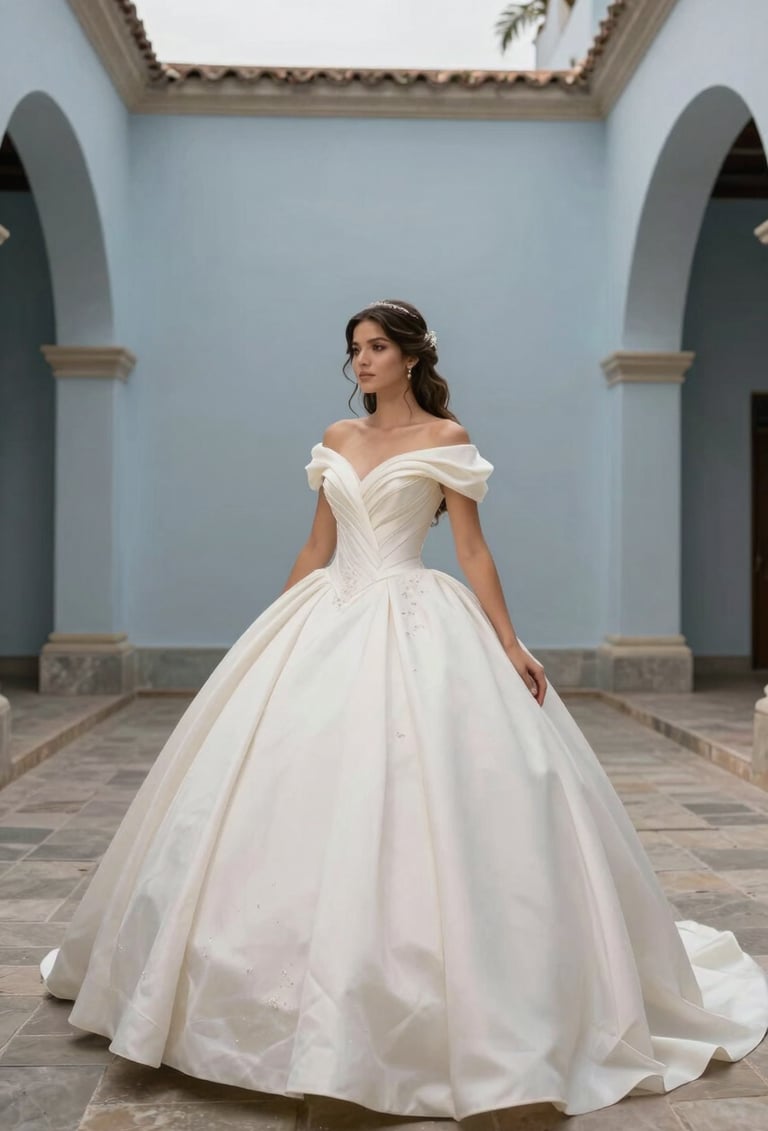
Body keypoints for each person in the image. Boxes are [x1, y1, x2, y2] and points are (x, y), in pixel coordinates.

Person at [40, 299, 768, 1119]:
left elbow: (471, 549)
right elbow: (317, 546)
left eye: (376, 347)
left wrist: (511, 642)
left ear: (412, 357)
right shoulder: (339, 438)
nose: (361, 361)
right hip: (327, 611)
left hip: (415, 613)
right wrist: (265, 639)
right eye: (354, 348)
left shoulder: (445, 440)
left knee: (424, 795)